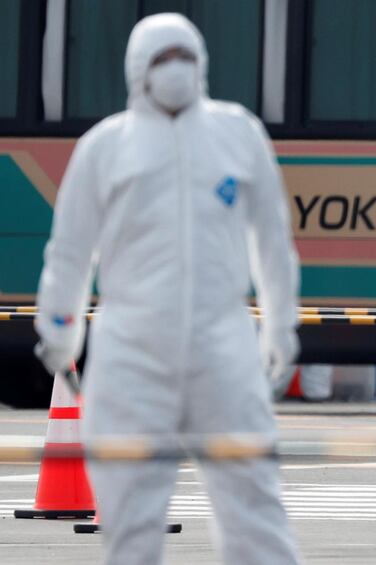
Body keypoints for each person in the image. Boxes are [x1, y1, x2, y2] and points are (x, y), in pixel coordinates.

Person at [34, 13, 300, 564]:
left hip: (222, 343)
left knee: (254, 506)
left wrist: (280, 324)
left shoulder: (237, 133)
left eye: (185, 56)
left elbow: (272, 241)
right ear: (137, 68)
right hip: (130, 350)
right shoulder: (105, 147)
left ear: (202, 63)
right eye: (161, 58)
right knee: (131, 518)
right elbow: (69, 253)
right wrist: (58, 332)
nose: (174, 69)